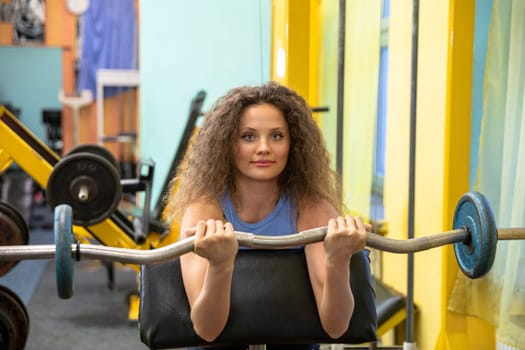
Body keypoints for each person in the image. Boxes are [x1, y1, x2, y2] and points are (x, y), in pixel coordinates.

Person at [163, 82, 370, 349]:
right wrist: (220, 265)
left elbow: (336, 327)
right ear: (227, 143)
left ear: (292, 143)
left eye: (276, 136)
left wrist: (338, 261)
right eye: (248, 136)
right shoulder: (205, 211)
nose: (263, 148)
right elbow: (207, 330)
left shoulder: (313, 209)